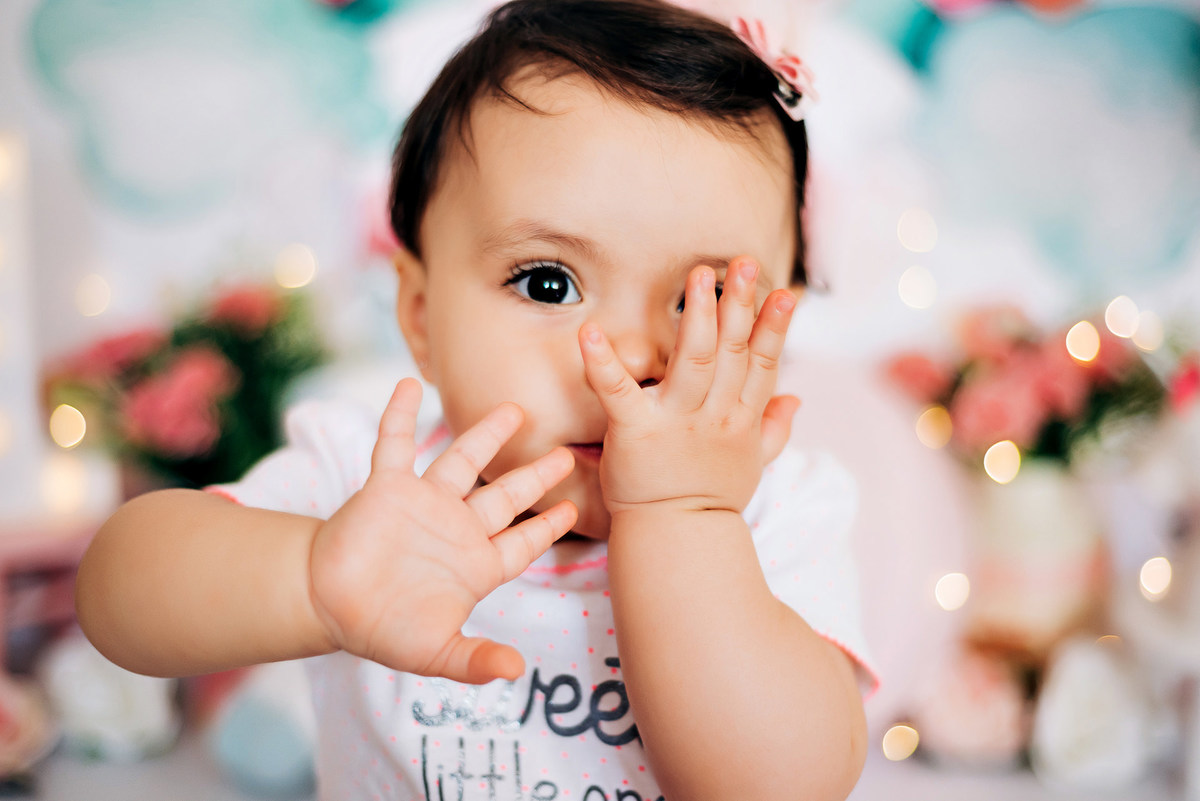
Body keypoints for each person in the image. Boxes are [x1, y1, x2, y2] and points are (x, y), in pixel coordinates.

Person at [75, 1, 878, 798]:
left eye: (706, 300)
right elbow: (118, 601)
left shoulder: (778, 513)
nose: (637, 359)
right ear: (422, 315)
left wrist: (685, 515)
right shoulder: (375, 485)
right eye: (548, 283)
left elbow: (783, 786)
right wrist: (312, 579)